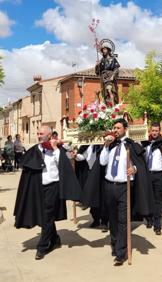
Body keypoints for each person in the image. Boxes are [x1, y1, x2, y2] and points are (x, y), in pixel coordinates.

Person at [14, 126, 81, 260]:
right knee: (46, 216)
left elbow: (63, 163)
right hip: (38, 188)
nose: (39, 135)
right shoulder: (34, 150)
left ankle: (42, 247)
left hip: (53, 187)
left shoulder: (58, 150)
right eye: (38, 133)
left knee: (47, 216)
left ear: (50, 135)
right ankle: (55, 238)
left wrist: (56, 148)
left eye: (41, 133)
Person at [99, 118, 154, 266]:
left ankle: (121, 252)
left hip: (124, 187)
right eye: (114, 128)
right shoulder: (110, 145)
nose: (116, 130)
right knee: (112, 218)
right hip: (109, 185)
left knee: (123, 220)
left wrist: (134, 169)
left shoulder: (132, 145)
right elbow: (102, 162)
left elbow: (140, 165)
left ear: (125, 128)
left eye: (118, 128)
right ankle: (115, 243)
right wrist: (105, 145)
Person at [142, 123, 162, 235]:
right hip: (147, 175)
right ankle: (149, 219)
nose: (154, 132)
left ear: (159, 131)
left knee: (157, 200)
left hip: (158, 175)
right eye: (153, 130)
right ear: (150, 131)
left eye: (156, 131)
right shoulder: (145, 144)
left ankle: (157, 225)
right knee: (147, 198)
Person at [95, 40, 120, 106]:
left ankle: (113, 106)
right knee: (105, 94)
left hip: (110, 76)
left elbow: (116, 69)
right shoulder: (102, 60)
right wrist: (97, 65)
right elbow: (98, 72)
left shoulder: (113, 59)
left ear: (108, 50)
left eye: (105, 49)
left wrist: (113, 76)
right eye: (103, 49)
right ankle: (108, 106)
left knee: (110, 90)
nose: (104, 51)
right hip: (103, 78)